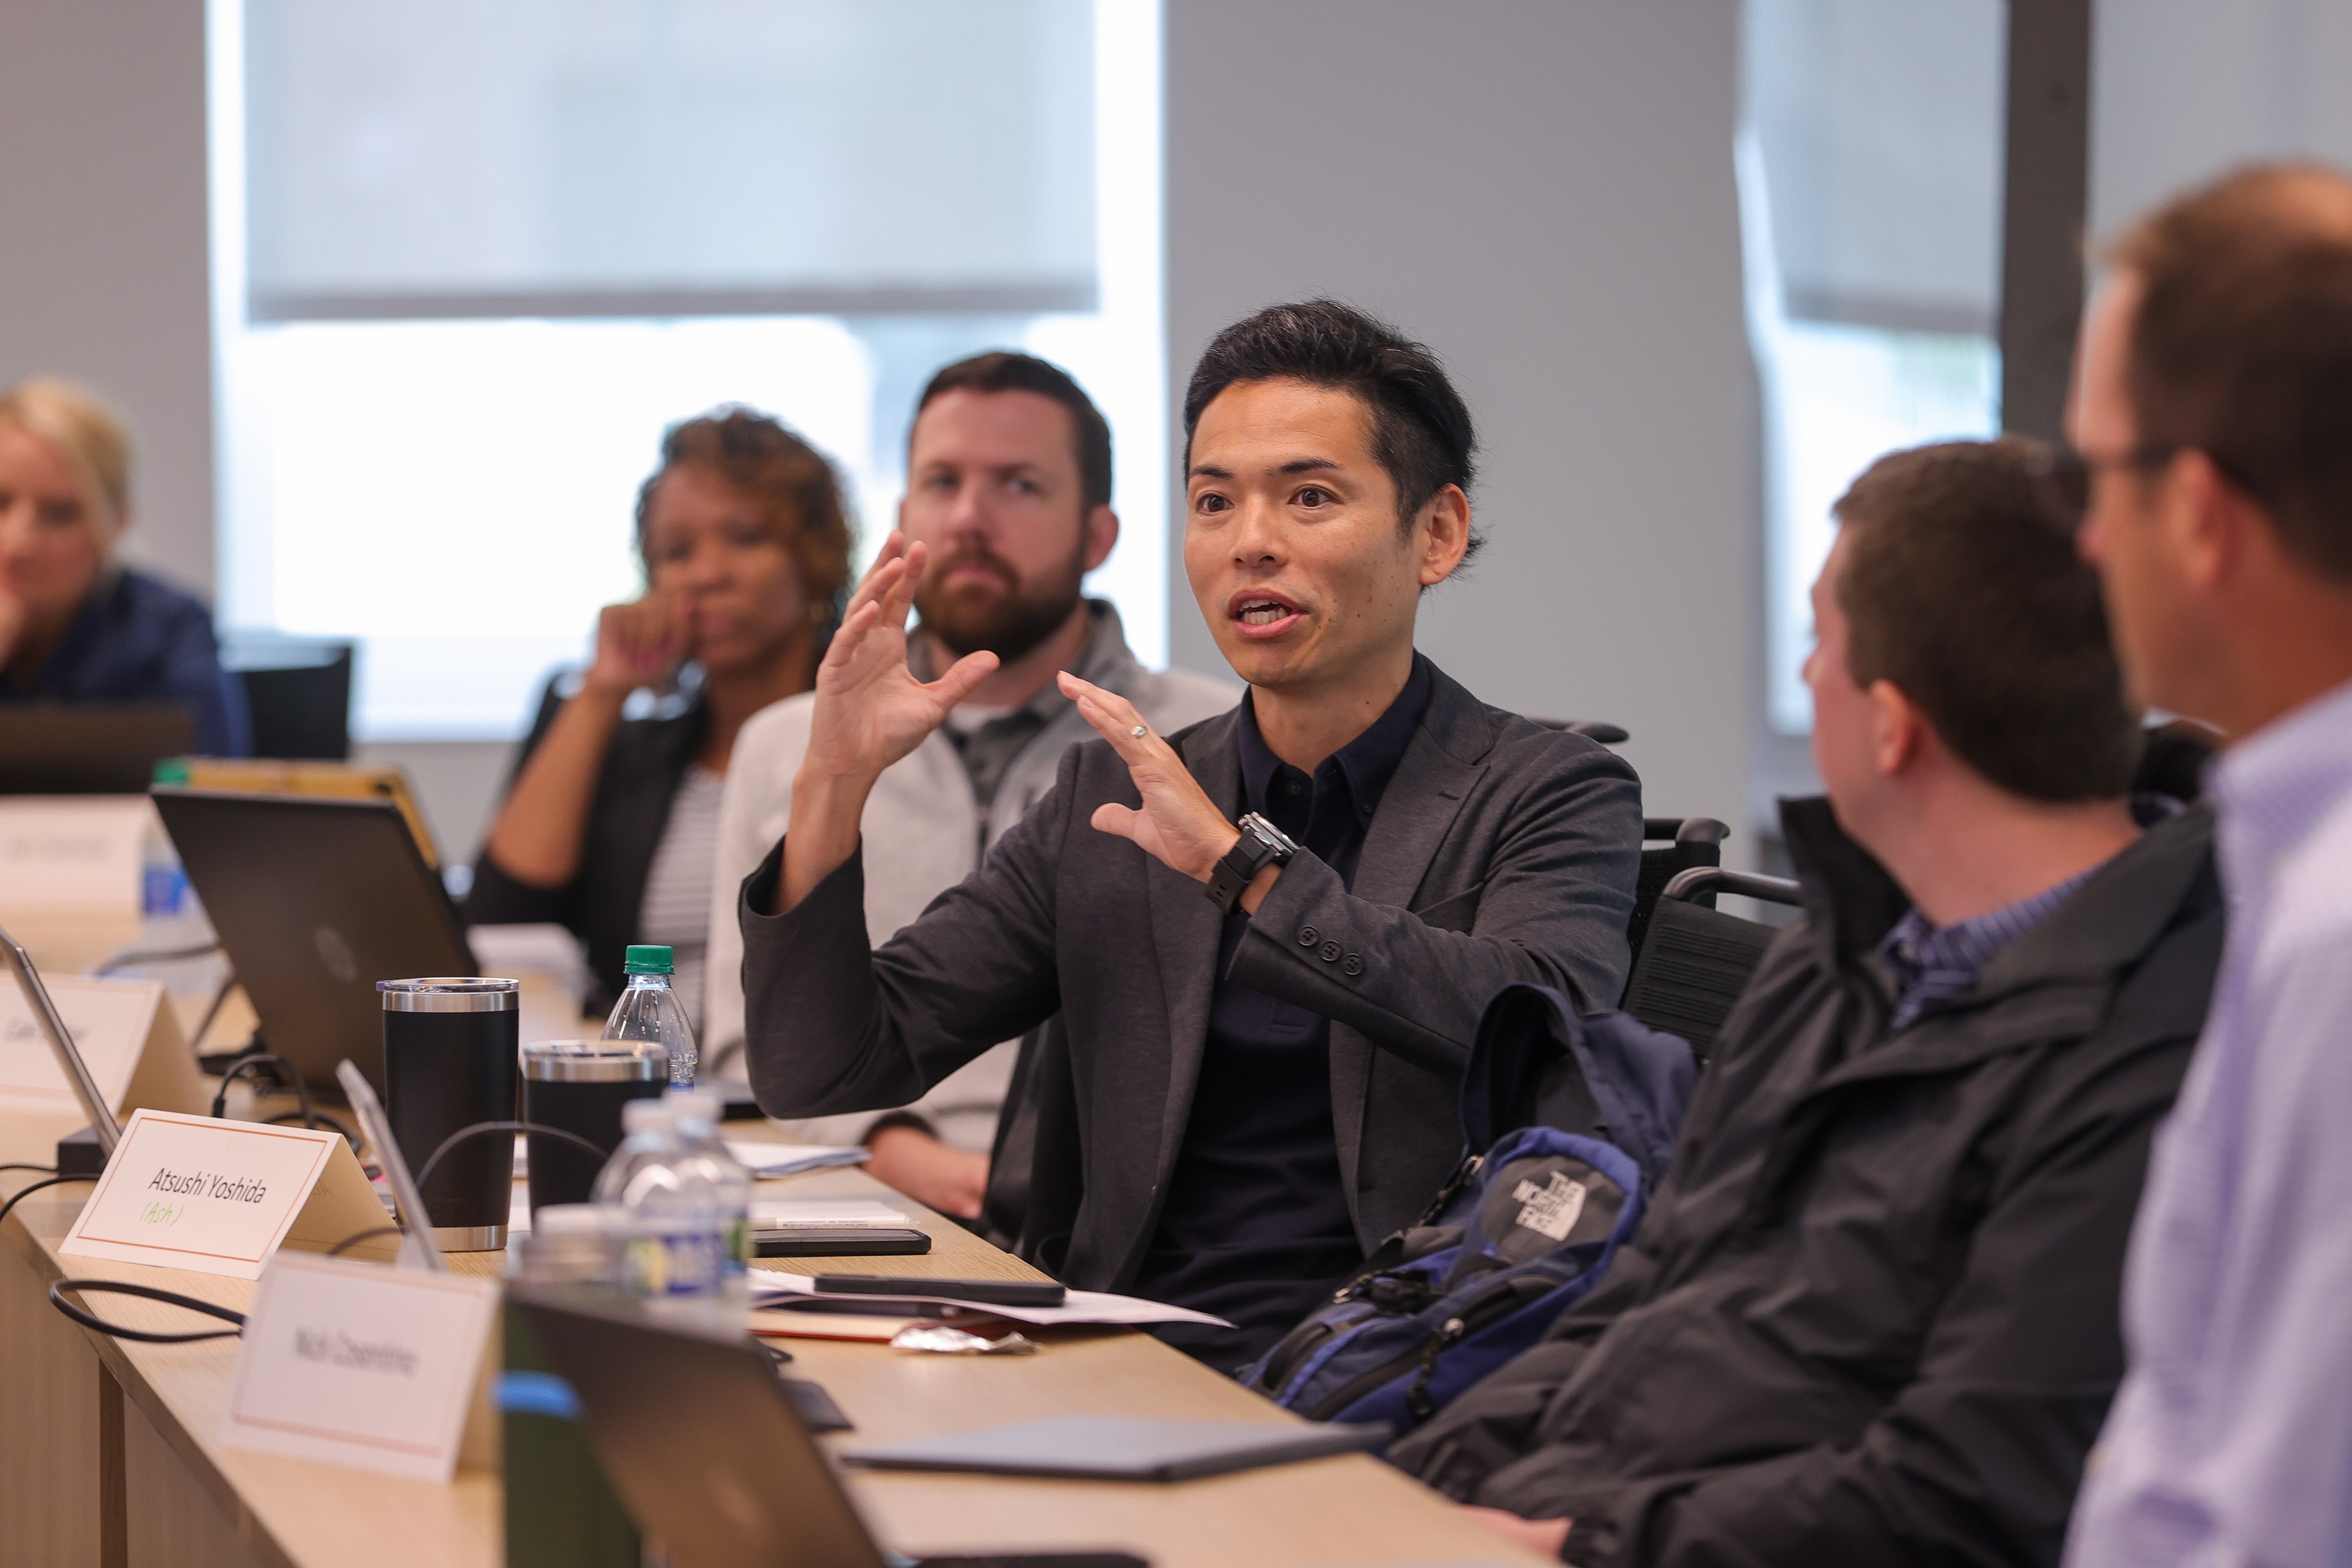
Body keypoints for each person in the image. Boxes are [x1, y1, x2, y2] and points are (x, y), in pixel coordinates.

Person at [734, 300, 1643, 1368]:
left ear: (1435, 534)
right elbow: (824, 1072)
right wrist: (833, 785)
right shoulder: (1108, 798)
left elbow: (1541, 1036)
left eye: (1310, 497)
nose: (1250, 542)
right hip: (1127, 1348)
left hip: (1402, 1359)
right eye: (1215, 502)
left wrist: (1245, 872)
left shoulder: (1550, 788)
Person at [1393, 439, 2225, 1567]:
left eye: (1818, 644)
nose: (1803, 682)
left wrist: (1582, 1539)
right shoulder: (1839, 955)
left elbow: (1970, 1483)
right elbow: (1646, 1292)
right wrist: (1421, 1485)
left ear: (1893, 724)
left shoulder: (2163, 1039)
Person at [702, 353, 1235, 1221]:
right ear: (905, 513)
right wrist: (896, 1152)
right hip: (857, 1187)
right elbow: (740, 1046)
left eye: (1019, 486)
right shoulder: (793, 743)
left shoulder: (1205, 741)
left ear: (1097, 536)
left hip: (1114, 1216)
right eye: (941, 482)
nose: (970, 519)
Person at [2059, 165, 2352, 1568]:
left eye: (2097, 473)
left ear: (2198, 511)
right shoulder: (2286, 861)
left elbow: (2277, 1517)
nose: (2085, 538)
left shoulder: (2336, 933)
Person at [465, 407, 853, 1021]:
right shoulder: (641, 749)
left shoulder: (866, 738)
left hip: (811, 1096)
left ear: (813, 559)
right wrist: (602, 692)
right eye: (676, 552)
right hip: (655, 1084)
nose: (706, 574)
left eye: (746, 537)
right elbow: (505, 918)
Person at [0, 377, 249, 755]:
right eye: (0, 503)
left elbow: (209, 786)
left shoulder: (169, 631)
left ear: (116, 524)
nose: (19, 542)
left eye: (59, 514)